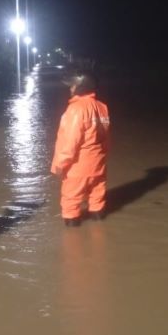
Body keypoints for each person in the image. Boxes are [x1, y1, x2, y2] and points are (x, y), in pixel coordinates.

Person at [50, 71, 111, 226]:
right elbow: (105, 137)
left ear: (80, 87)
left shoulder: (76, 110)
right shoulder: (102, 107)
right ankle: (100, 235)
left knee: (71, 203)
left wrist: (60, 164)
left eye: (72, 86)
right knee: (97, 200)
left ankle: (73, 241)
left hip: (77, 168)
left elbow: (70, 141)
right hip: (98, 165)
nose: (70, 89)